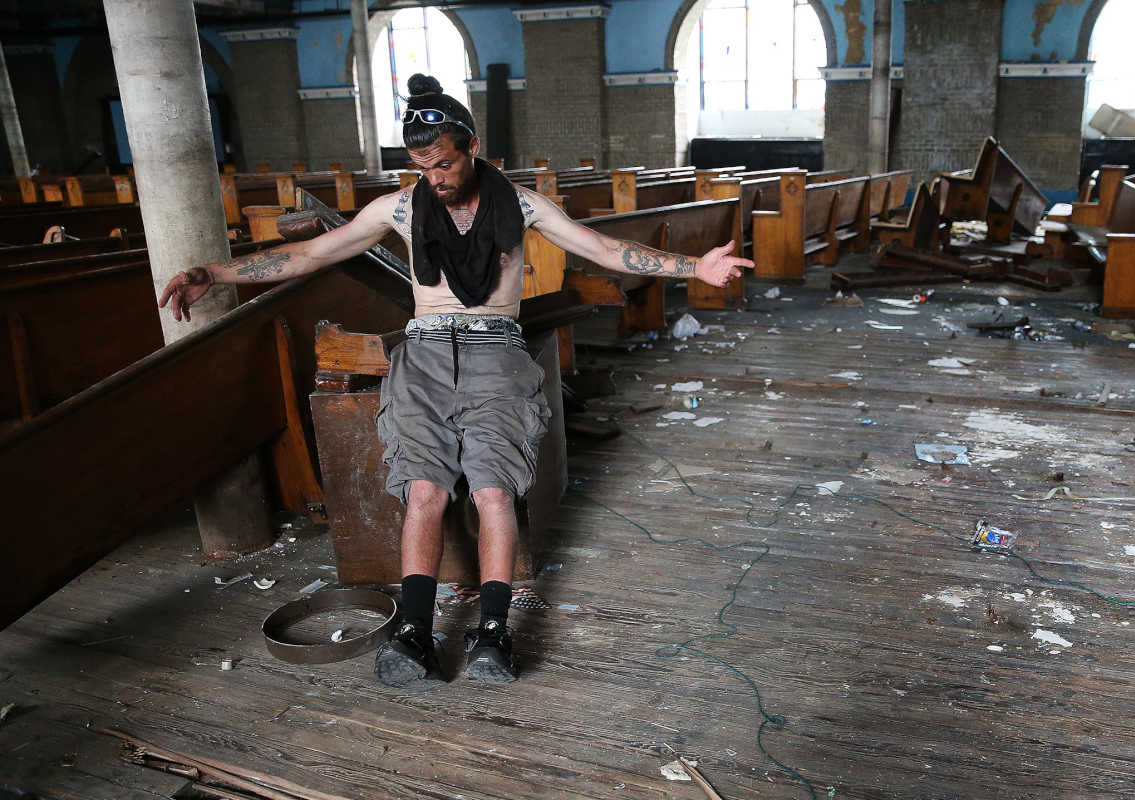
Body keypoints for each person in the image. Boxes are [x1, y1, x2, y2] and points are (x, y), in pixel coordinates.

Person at [158, 73, 753, 690]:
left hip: (495, 351)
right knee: (425, 491)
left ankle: (493, 632)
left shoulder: (521, 205)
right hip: (424, 354)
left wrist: (693, 266)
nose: (434, 177)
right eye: (420, 165)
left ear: (472, 148)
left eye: (443, 163)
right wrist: (216, 271)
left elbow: (601, 250)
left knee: (493, 492)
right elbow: (310, 254)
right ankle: (415, 630)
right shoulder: (398, 208)